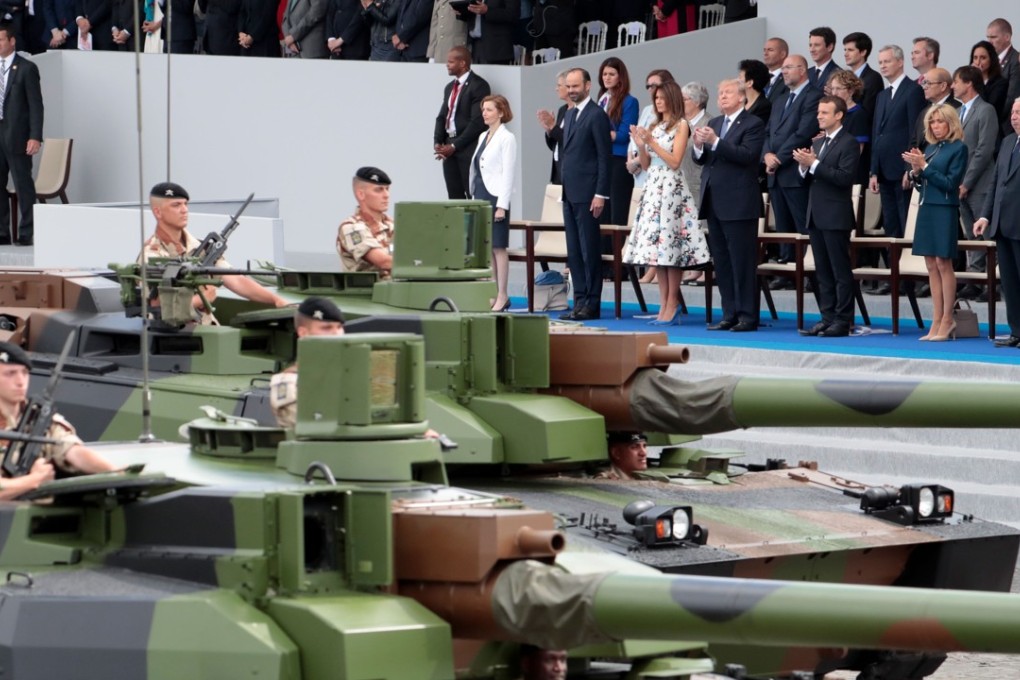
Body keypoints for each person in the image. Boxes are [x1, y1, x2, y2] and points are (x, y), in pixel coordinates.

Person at [623, 81, 709, 325]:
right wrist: (641, 146)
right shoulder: (656, 124)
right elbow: (648, 164)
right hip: (653, 187)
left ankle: (673, 303)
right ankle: (663, 304)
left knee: (671, 249)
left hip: (671, 188)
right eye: (656, 98)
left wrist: (651, 142)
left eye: (662, 97)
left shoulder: (682, 125)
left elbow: (674, 161)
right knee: (657, 252)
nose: (658, 102)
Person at [141, 182, 287, 321]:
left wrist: (276, 300)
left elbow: (236, 280)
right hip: (174, 334)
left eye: (185, 204)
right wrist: (202, 299)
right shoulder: (152, 255)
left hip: (205, 326)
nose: (184, 210)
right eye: (176, 205)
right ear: (158, 212)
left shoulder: (201, 248)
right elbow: (157, 307)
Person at [692, 78, 766, 332]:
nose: (722, 97)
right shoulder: (714, 123)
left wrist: (714, 142)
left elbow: (747, 156)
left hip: (739, 202)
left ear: (742, 98)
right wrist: (699, 145)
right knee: (722, 261)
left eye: (728, 93)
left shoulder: (753, 123)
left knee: (742, 261)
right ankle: (729, 313)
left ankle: (747, 315)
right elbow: (703, 160)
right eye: (720, 92)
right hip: (714, 200)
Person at [0, 341, 117, 500]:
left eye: (25, 373)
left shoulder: (38, 419)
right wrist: (33, 480)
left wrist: (115, 473)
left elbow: (73, 451)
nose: (21, 382)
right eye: (10, 373)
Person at [793, 95, 860, 337]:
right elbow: (810, 178)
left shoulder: (849, 143)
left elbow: (844, 178)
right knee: (822, 270)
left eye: (824, 113)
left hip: (836, 214)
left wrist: (814, 164)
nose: (819, 116)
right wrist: (804, 165)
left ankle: (843, 320)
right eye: (818, 112)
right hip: (816, 213)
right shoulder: (819, 143)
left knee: (839, 270)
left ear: (838, 115)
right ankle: (827, 316)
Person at [902, 104, 968, 342]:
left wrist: (925, 167)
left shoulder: (958, 148)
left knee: (943, 262)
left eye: (940, 121)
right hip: (927, 206)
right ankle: (936, 317)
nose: (935, 126)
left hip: (944, 209)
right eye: (932, 122)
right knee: (930, 264)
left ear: (951, 123)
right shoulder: (930, 147)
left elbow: (951, 184)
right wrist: (916, 172)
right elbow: (925, 184)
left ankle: (947, 318)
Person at [558, 67, 611, 322]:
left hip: (589, 194)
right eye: (568, 86)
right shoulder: (569, 115)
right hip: (569, 193)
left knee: (589, 250)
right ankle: (579, 300)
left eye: (575, 86)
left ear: (588, 86)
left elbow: (604, 157)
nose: (571, 90)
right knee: (574, 251)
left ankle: (592, 303)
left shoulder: (596, 115)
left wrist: (600, 193)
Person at [762, 54, 821, 275]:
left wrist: (777, 158)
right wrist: (767, 154)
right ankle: (786, 271)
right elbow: (768, 131)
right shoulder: (780, 99)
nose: (784, 72)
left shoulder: (813, 96)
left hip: (794, 171)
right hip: (775, 173)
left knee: (801, 225)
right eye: (783, 68)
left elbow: (803, 133)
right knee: (782, 226)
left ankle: (805, 271)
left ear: (803, 69)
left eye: (788, 68)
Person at [975, 99, 1020, 348]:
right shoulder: (1007, 142)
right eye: (1012, 112)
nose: (1014, 117)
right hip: (1003, 224)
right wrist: (985, 215)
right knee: (1011, 283)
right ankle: (1017, 331)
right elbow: (996, 182)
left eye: (1019, 113)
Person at [869, 44, 925, 242]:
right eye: (880, 62)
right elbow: (878, 133)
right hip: (883, 170)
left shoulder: (913, 90)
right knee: (890, 224)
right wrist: (874, 170)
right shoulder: (882, 95)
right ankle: (894, 267)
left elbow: (914, 131)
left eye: (887, 61)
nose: (883, 66)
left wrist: (908, 167)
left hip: (901, 169)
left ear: (900, 62)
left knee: (904, 220)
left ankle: (906, 268)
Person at [954, 65, 998, 299]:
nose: (953, 86)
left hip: (980, 184)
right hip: (960, 183)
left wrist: (967, 182)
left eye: (956, 81)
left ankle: (994, 283)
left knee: (988, 235)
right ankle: (975, 279)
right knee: (972, 236)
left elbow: (983, 150)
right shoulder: (959, 111)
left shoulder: (985, 110)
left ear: (969, 83)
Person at [469, 94, 517, 312]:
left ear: (500, 111)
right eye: (483, 110)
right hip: (480, 193)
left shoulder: (507, 138)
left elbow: (508, 174)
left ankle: (503, 294)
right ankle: (492, 291)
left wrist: (502, 205)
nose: (485, 113)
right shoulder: (482, 136)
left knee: (498, 246)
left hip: (496, 196)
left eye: (489, 109)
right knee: (487, 247)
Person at [270, 297, 344, 428]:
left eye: (339, 327)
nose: (336, 334)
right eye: (326, 328)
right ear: (303, 332)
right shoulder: (289, 382)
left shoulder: (353, 370)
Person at [0, 25, 42, 247]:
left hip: (16, 134)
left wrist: (35, 136)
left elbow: (36, 105)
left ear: (12, 41)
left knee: (22, 183)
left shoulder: (26, 68)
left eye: (1, 40)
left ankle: (26, 231)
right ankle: (2, 231)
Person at [434, 46, 491, 200]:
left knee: (471, 193)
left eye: (451, 62)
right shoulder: (449, 88)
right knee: (454, 195)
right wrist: (438, 142)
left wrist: (454, 146)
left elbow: (477, 123)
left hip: (467, 148)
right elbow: (441, 117)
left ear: (463, 63)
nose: (447, 64)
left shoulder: (479, 85)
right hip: (449, 146)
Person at [595, 57, 639, 229]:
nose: (607, 77)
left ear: (620, 77)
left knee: (618, 211)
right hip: (602, 158)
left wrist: (599, 134)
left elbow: (624, 135)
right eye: (604, 74)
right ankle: (605, 253)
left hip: (619, 160)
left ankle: (618, 253)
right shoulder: (602, 99)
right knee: (602, 210)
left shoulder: (629, 101)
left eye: (611, 74)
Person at [336, 167, 395, 278]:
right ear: (361, 194)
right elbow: (383, 261)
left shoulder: (393, 225)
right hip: (369, 291)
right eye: (379, 190)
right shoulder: (351, 228)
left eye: (387, 189)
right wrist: (421, 265)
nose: (386, 195)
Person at [827, 70, 870, 185]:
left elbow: (858, 149)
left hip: (850, 174)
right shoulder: (835, 114)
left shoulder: (858, 114)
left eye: (838, 89)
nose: (834, 93)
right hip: (834, 171)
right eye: (833, 88)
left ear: (850, 91)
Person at [455, 0, 519, 66]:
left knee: (495, 75)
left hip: (497, 47)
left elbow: (513, 14)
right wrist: (461, 12)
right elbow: (474, 15)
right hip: (474, 45)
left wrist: (488, 10)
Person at [537, 69, 573, 185]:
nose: (556, 88)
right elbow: (555, 145)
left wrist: (553, 126)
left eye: (559, 85)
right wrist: (549, 130)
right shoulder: (562, 110)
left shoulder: (579, 112)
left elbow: (571, 141)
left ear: (569, 87)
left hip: (571, 172)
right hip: (557, 171)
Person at [910, 67, 959, 151]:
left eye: (928, 83)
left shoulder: (957, 109)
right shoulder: (924, 111)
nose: (924, 87)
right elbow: (914, 142)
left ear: (943, 86)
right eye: (924, 83)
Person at [986, 18, 1020, 136]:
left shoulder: (1016, 60)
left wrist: (990, 117)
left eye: (994, 37)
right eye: (988, 37)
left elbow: (1012, 97)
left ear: (1007, 37)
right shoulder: (990, 62)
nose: (989, 42)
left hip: (1005, 127)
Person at [842, 31, 883, 117]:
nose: (845, 54)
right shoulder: (843, 78)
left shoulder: (873, 78)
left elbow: (868, 112)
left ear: (863, 52)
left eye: (850, 50)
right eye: (845, 50)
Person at [971, 40, 1009, 132]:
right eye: (975, 58)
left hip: (990, 129)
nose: (978, 62)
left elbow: (989, 106)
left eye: (983, 58)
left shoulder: (1000, 83)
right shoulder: (969, 81)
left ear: (991, 59)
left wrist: (978, 79)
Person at [740, 58, 772, 126]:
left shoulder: (764, 107)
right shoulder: (741, 103)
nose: (737, 80)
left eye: (740, 77)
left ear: (750, 83)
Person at [762, 36, 789, 104]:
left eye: (770, 50)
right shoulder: (759, 77)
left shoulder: (789, 77)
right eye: (764, 50)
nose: (765, 53)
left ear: (782, 54)